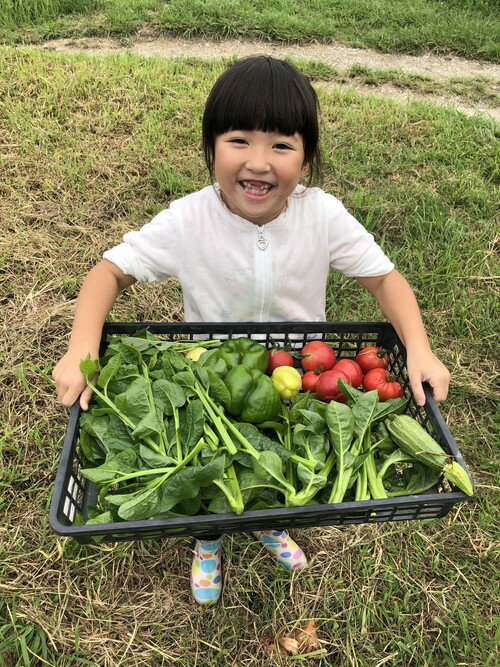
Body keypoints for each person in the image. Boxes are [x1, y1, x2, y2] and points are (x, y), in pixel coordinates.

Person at [52, 55, 450, 604]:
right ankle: (209, 540)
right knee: (208, 468)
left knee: (272, 462)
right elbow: (108, 273)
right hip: (212, 377)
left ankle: (269, 523)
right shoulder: (189, 219)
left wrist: (420, 349)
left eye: (282, 146)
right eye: (238, 140)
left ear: (306, 158)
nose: (259, 163)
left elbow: (385, 281)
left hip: (298, 378)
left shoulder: (322, 215)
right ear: (210, 147)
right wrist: (80, 348)